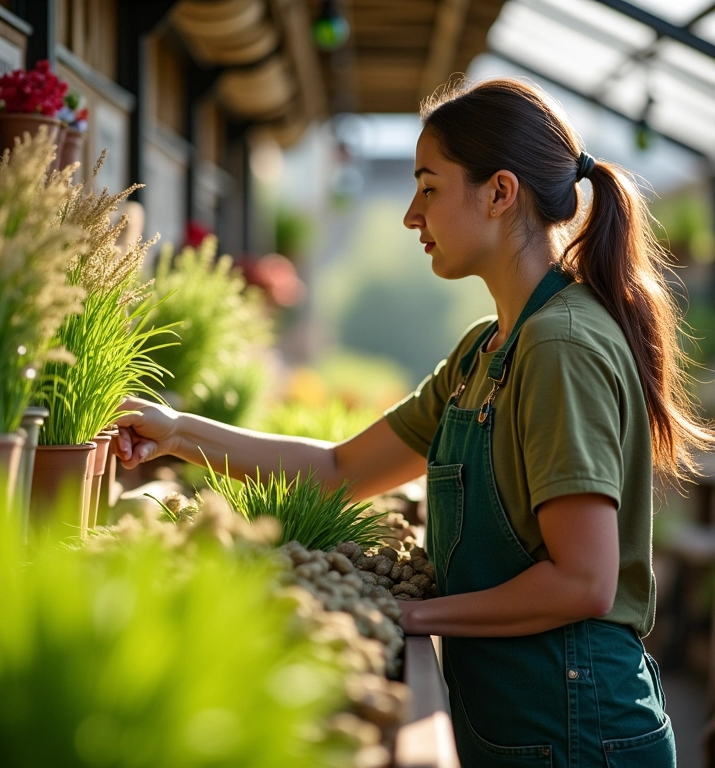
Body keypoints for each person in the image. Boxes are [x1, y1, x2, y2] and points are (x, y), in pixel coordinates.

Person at [114, 77, 713, 766]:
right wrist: (177, 431)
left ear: (499, 193)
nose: (409, 215)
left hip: (578, 728)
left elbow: (584, 580)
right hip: (527, 719)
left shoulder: (560, 346)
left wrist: (406, 614)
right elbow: (339, 470)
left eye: (428, 187)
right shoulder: (484, 352)